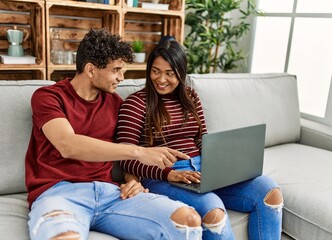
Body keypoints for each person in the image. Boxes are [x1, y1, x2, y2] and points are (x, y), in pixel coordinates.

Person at [25, 29, 204, 240]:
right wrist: (139, 152)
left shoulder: (115, 102)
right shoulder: (48, 97)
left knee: (188, 221)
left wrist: (133, 181)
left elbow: (123, 155)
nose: (122, 77)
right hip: (59, 193)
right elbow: (68, 145)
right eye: (116, 70)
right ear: (91, 69)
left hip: (111, 193)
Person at [116, 39, 284, 240]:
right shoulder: (134, 104)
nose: (161, 79)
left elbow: (201, 140)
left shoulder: (190, 96)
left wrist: (225, 166)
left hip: (204, 170)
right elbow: (125, 158)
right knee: (213, 211)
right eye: (155, 71)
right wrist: (168, 174)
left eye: (170, 73)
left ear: (181, 73)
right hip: (162, 176)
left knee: (269, 192)